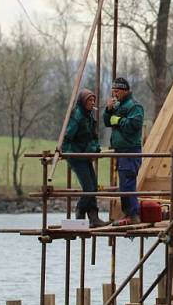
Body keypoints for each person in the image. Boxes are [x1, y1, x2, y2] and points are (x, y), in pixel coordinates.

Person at [62, 88, 108, 227]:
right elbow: (68, 137)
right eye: (89, 100)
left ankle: (94, 218)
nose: (92, 102)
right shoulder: (77, 116)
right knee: (89, 187)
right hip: (76, 156)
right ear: (83, 101)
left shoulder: (89, 117)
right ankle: (80, 210)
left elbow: (92, 137)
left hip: (85, 155)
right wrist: (70, 152)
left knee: (93, 186)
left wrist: (95, 149)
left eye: (93, 100)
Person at [104, 77, 144, 224]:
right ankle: (129, 214)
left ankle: (132, 215)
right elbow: (106, 122)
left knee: (127, 183)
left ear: (125, 91)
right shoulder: (118, 105)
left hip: (130, 150)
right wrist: (108, 110)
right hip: (121, 151)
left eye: (117, 91)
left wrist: (119, 120)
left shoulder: (134, 106)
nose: (114, 94)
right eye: (113, 91)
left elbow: (135, 125)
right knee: (124, 184)